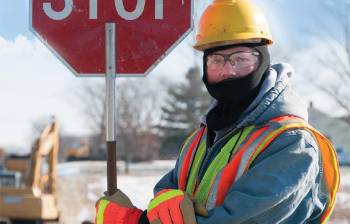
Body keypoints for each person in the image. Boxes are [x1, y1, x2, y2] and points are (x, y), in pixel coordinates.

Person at [95, 0, 340, 223]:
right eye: (216, 60)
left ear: (263, 60)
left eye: (240, 59)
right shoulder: (201, 140)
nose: (227, 71)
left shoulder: (291, 144)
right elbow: (165, 200)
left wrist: (132, 222)